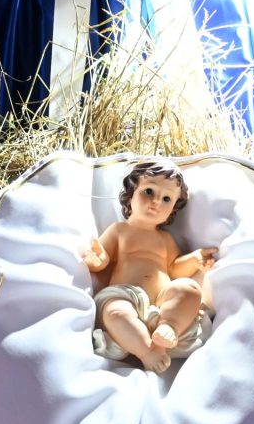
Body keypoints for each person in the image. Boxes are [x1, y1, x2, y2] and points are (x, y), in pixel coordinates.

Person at [83, 158, 218, 372]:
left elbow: (174, 269)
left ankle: (169, 327)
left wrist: (194, 259)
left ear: (173, 207)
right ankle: (148, 351)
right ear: (131, 193)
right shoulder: (120, 230)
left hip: (163, 304)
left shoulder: (165, 239)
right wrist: (98, 261)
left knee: (190, 289)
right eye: (148, 191)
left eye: (166, 199)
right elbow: (104, 258)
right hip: (126, 296)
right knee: (115, 313)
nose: (156, 201)